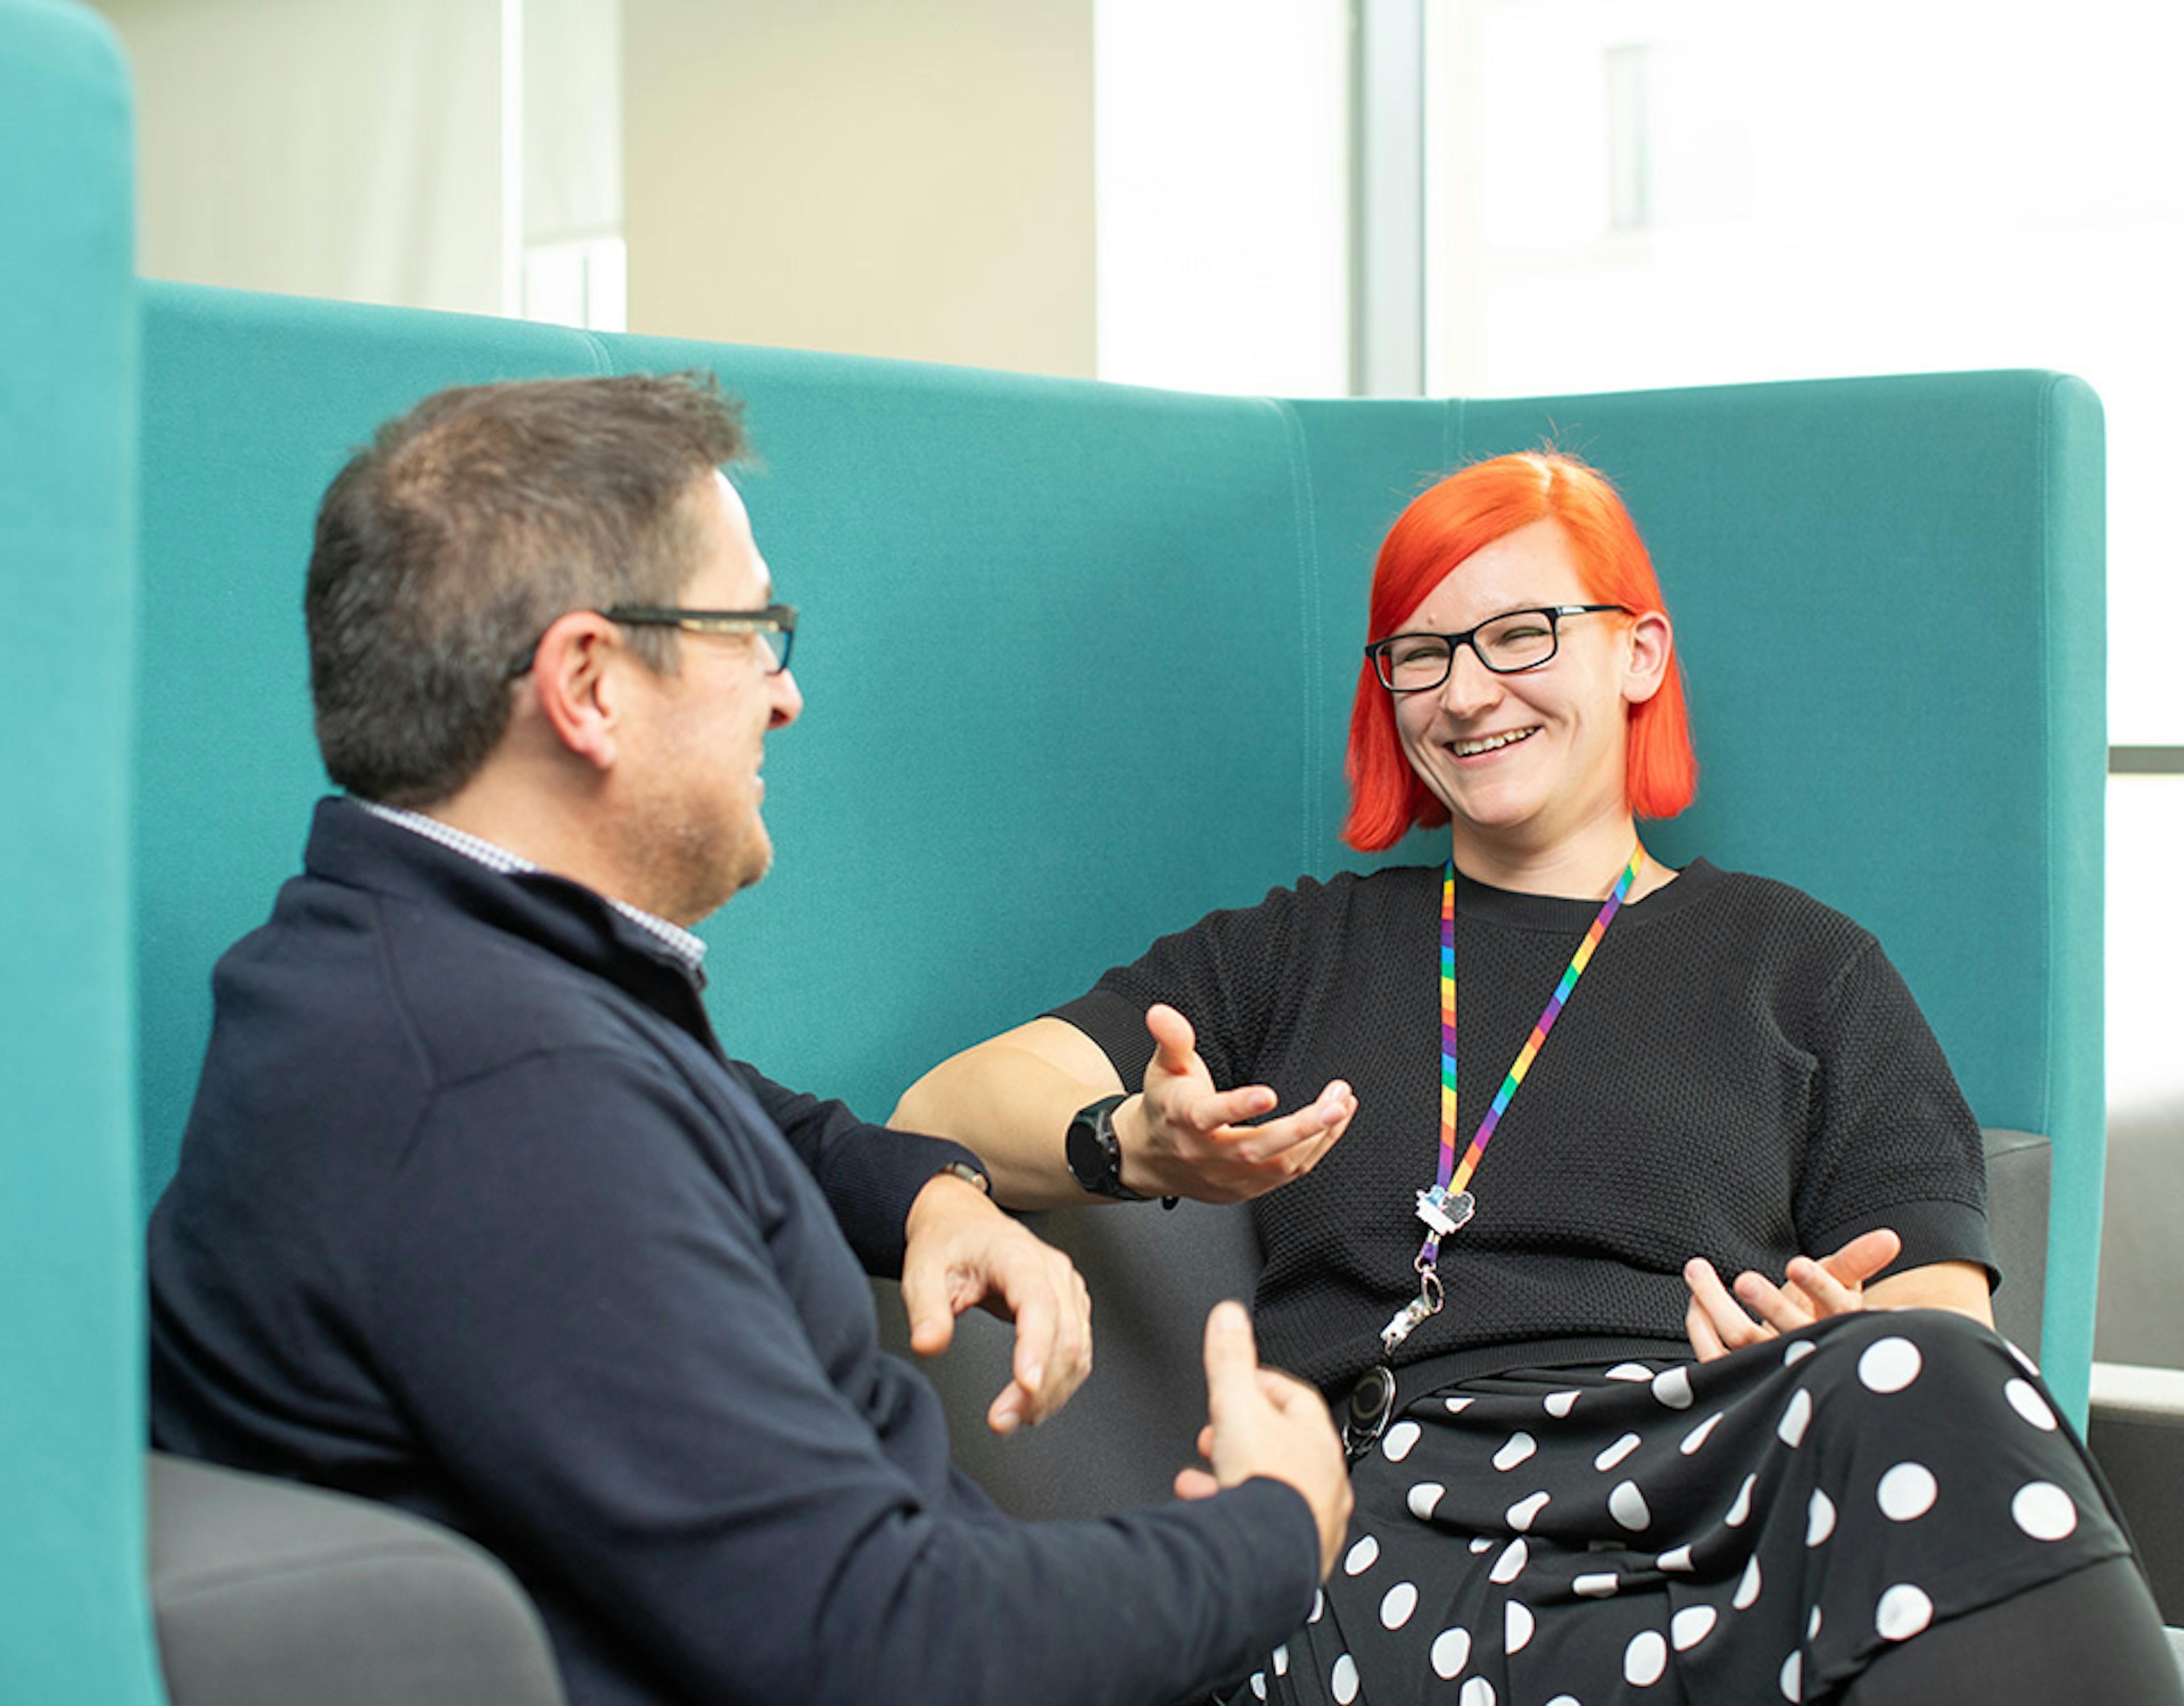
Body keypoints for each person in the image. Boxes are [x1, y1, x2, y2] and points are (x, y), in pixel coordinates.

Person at [894, 450, 2184, 1704]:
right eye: (1421, 652)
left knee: (1930, 1395)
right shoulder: (1303, 947)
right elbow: (941, 1107)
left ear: (1639, 654)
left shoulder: (1805, 968)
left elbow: (1943, 1336)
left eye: (1520, 634)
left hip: (1709, 1494)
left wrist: (1831, 1348)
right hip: (1385, 1525)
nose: (1465, 693)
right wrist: (1124, 1138)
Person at [146, 371, 1353, 1706]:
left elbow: (711, 1107)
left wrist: (932, 1198)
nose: (783, 696)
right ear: (590, 683)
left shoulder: (398, 968)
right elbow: (891, 1652)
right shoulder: (509, 1096)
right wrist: (1272, 1528)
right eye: (751, 633)